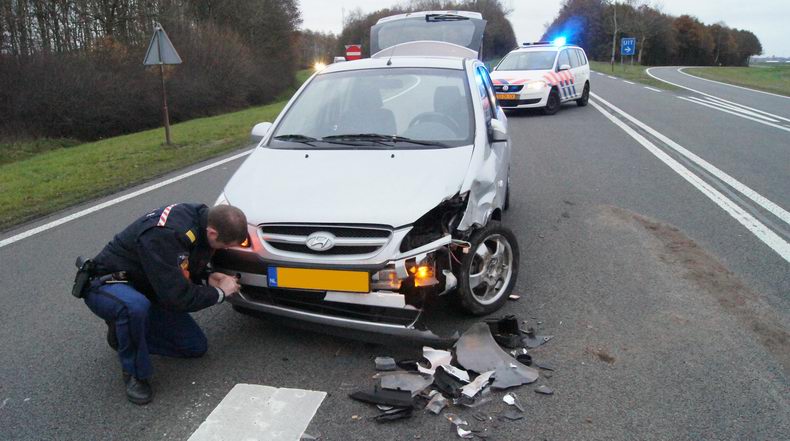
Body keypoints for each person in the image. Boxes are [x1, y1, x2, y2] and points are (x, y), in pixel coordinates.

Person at [82, 203, 247, 405]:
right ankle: (135, 373)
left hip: (150, 286)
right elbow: (177, 298)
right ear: (212, 232)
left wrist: (207, 277)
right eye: (225, 245)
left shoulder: (204, 223)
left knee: (194, 346)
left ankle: (124, 335)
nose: (226, 249)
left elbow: (182, 267)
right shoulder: (165, 234)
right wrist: (219, 293)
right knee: (134, 307)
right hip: (109, 284)